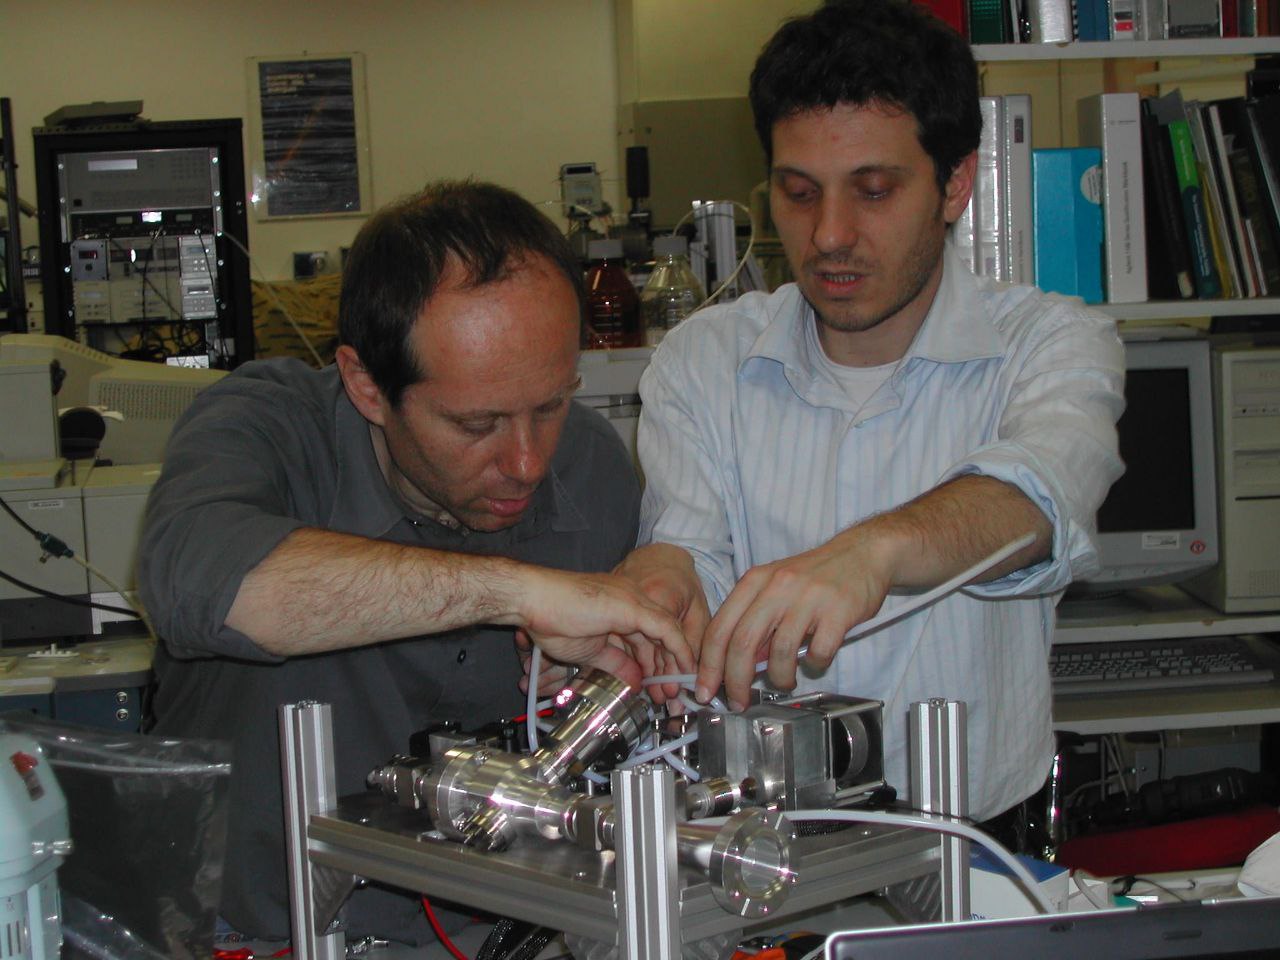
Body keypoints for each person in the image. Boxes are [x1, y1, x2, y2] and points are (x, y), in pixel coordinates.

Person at [138, 180, 691, 945]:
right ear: (367, 384)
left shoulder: (591, 471)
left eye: (553, 404)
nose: (527, 462)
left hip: (504, 937)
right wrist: (515, 594)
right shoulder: (269, 428)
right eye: (477, 423)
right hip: (266, 934)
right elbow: (204, 583)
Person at [620, 0, 1125, 824]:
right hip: (762, 841)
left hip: (978, 838)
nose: (828, 235)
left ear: (956, 182)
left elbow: (1037, 500)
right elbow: (688, 553)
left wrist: (872, 554)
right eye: (797, 191)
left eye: (875, 190)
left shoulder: (1050, 344)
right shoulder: (704, 360)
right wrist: (651, 595)